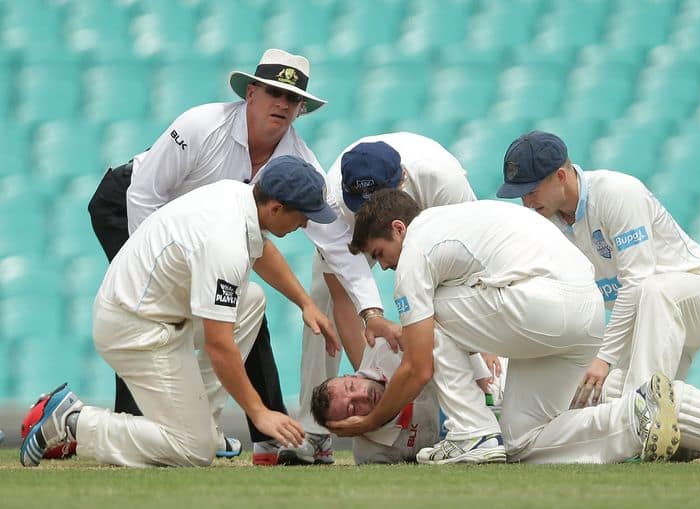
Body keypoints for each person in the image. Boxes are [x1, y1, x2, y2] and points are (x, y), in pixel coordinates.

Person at [83, 48, 393, 465]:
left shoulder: (298, 168)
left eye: (293, 99)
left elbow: (337, 245)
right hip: (130, 208)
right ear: (250, 93)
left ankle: (215, 428)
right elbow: (144, 195)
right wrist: (146, 272)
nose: (282, 104)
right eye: (272, 92)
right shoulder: (200, 126)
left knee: (244, 306)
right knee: (151, 318)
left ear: (301, 110)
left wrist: (369, 311)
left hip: (202, 232)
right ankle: (134, 426)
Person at [326, 189, 684, 465]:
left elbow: (418, 367)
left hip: (543, 305)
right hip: (585, 315)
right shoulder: (453, 218)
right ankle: (635, 417)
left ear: (398, 228)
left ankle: (471, 433)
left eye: (379, 254)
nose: (385, 267)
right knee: (522, 439)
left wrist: (371, 420)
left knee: (425, 315)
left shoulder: (415, 252)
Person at [21, 156, 337, 468]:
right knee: (193, 451)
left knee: (251, 300)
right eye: (304, 215)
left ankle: (204, 428)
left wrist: (305, 302)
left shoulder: (238, 196)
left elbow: (261, 249)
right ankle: (73, 421)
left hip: (154, 311)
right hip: (133, 328)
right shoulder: (223, 242)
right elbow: (218, 345)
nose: (306, 224)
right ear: (276, 208)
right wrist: (258, 412)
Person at [495, 131, 700, 408]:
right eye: (520, 194)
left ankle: (642, 416)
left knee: (651, 292)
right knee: (608, 397)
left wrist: (604, 358)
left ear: (561, 176)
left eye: (531, 191)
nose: (526, 202)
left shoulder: (617, 192)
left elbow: (637, 282)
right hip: (648, 320)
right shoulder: (544, 222)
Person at [287, 133, 490, 464]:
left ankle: (476, 412)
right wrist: (373, 376)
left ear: (404, 181)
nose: (372, 213)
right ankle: (316, 433)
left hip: (435, 218)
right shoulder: (336, 204)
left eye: (378, 204)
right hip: (349, 225)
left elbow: (474, 268)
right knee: (322, 297)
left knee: (448, 295)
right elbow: (343, 297)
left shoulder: (443, 183)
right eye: (363, 207)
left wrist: (484, 350)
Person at [310, 339, 499, 464]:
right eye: (352, 408)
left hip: (491, 378)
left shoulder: (384, 349)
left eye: (351, 387)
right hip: (480, 439)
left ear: (351, 375)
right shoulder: (371, 454)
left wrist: (480, 348)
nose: (362, 396)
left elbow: (441, 337)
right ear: (347, 428)